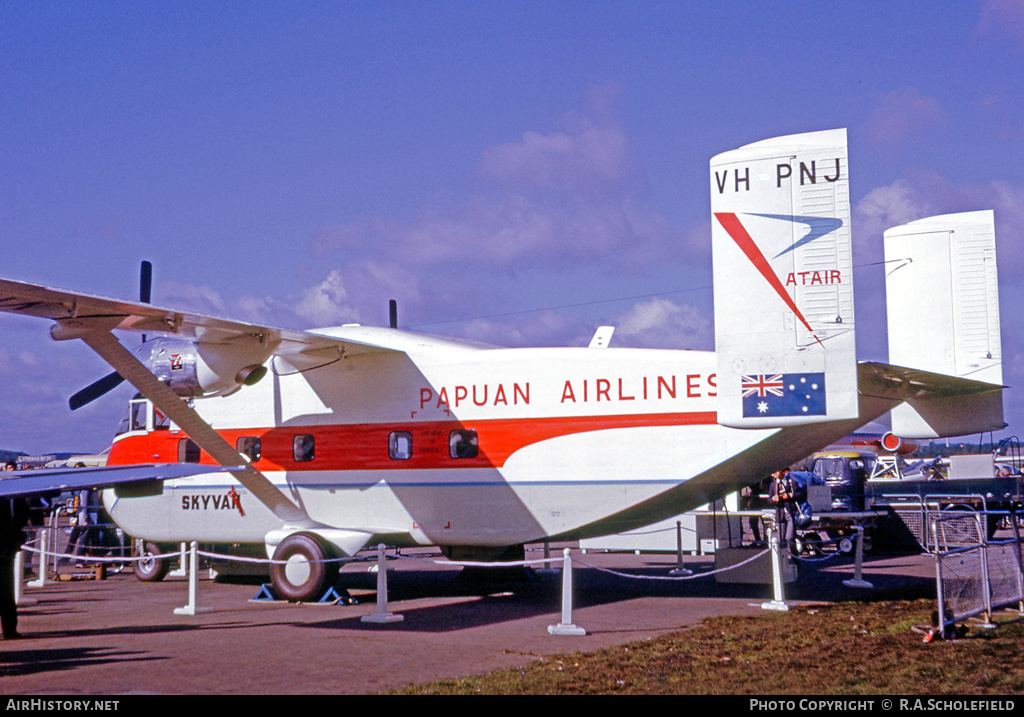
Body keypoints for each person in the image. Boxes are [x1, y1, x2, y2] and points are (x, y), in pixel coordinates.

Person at [0, 496, 29, 639]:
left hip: (6, 547)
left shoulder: (13, 496)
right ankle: (9, 629)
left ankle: (9, 629)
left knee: (7, 590)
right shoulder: (11, 494)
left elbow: (22, 515)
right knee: (6, 591)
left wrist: (18, 538)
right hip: (6, 545)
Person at [769, 468, 797, 554]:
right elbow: (769, 500)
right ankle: (782, 561)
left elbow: (800, 495)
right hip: (779, 514)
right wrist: (773, 499)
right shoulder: (773, 485)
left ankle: (795, 558)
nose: (775, 473)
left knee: (789, 537)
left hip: (790, 513)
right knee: (780, 539)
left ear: (783, 472)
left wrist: (790, 495)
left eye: (777, 471)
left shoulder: (792, 483)